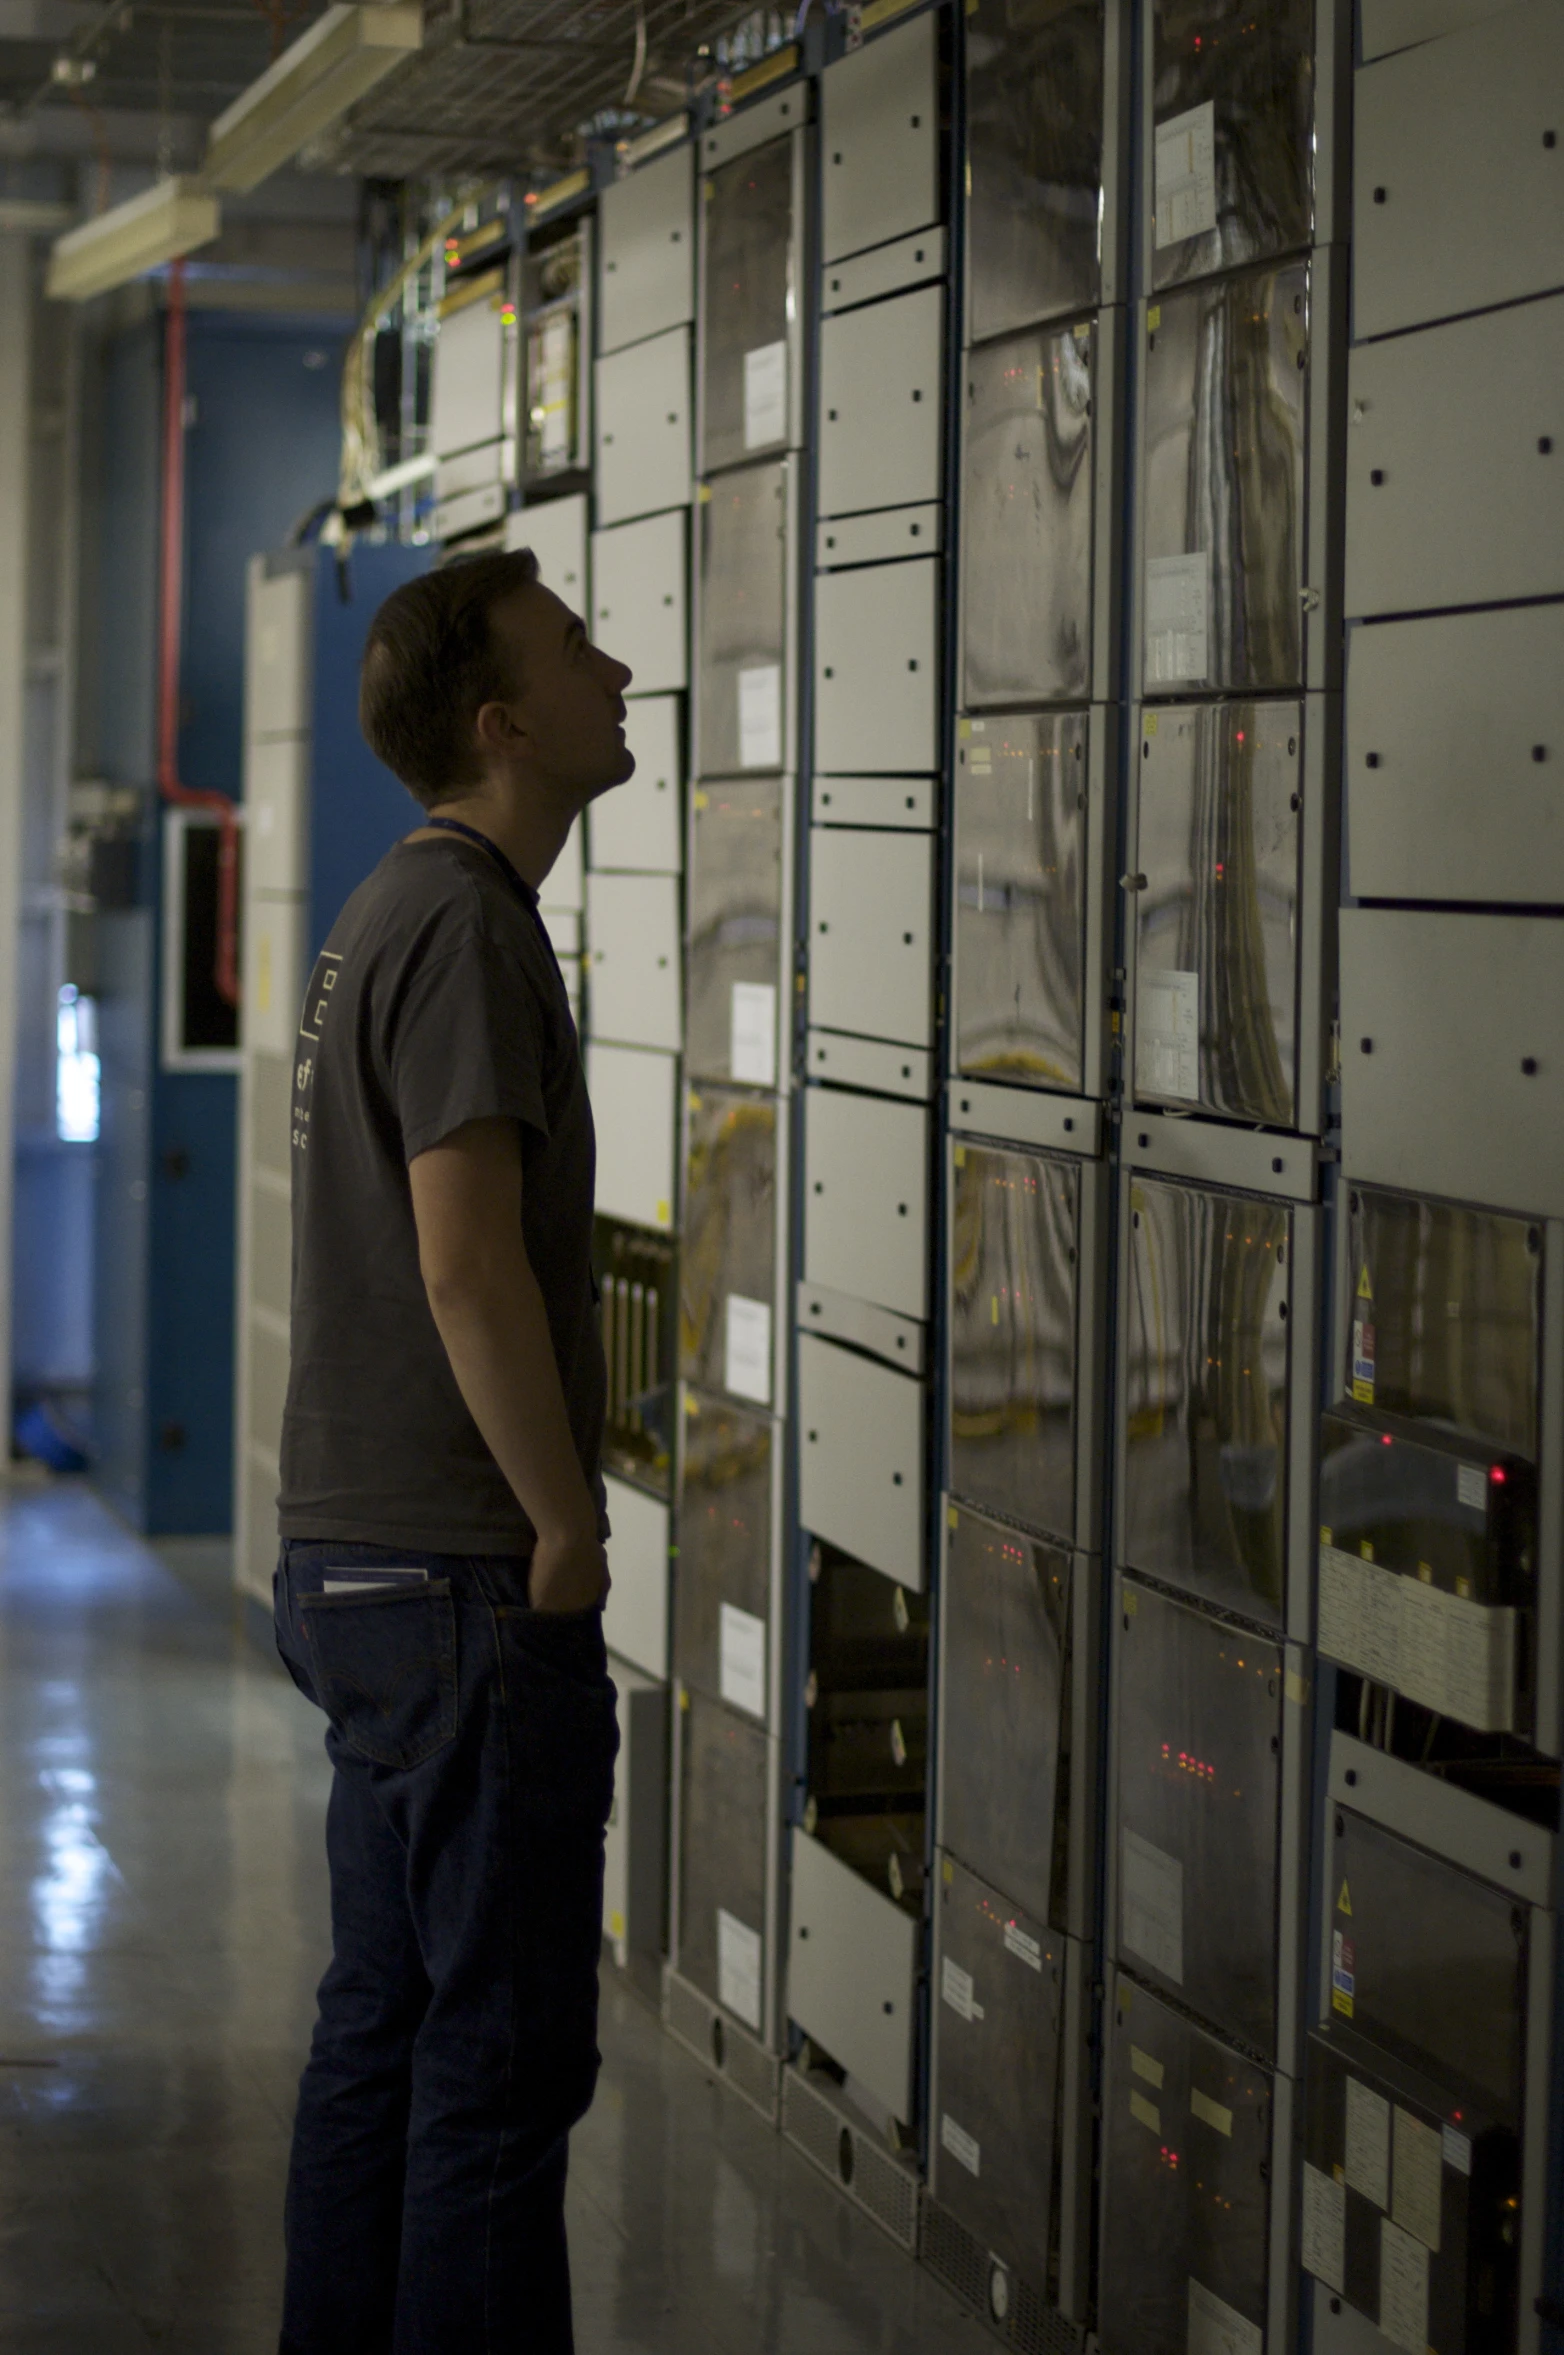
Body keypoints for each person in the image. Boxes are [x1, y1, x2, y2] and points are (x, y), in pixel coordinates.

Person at [271, 546, 634, 2354]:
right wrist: (563, 1522)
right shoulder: (472, 925)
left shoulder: (384, 911)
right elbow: (462, 1255)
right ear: (502, 724)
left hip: (359, 1565)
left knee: (385, 2036)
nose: (621, 666)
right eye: (580, 649)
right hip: (459, 1577)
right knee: (495, 2077)